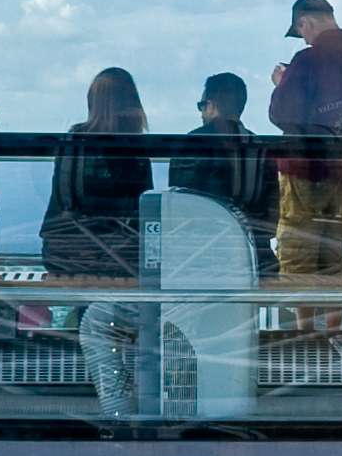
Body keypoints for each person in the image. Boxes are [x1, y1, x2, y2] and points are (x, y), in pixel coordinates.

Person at [42, 67, 158, 418]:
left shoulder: (75, 140)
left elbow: (66, 199)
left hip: (70, 251)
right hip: (120, 255)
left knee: (98, 308)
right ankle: (127, 393)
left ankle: (106, 387)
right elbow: (144, 205)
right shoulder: (137, 147)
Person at [266, 0, 342, 328]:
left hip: (304, 170)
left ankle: (305, 335)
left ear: (306, 22)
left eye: (302, 31)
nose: (304, 37)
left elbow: (283, 113)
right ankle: (335, 334)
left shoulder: (307, 60)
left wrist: (282, 82)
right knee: (333, 255)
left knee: (298, 251)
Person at [170, 70, 277, 276]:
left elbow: (179, 209)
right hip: (255, 259)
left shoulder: (192, 143)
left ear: (211, 104)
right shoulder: (260, 147)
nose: (201, 113)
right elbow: (272, 218)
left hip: (201, 259)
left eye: (202, 106)